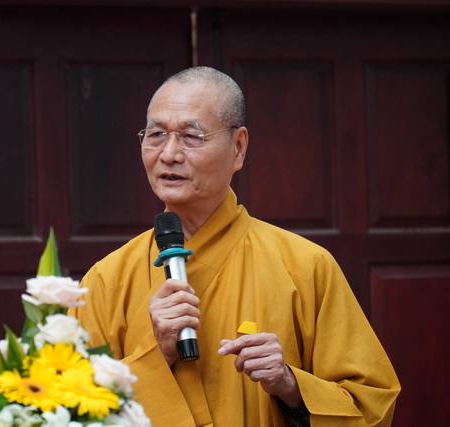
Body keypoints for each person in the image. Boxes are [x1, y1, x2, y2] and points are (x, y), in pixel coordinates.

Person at [70, 66, 400, 426]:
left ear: (238, 147)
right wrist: (155, 354)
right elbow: (67, 410)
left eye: (191, 136)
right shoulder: (106, 281)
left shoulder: (305, 266)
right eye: (156, 135)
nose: (169, 154)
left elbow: (372, 406)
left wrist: (290, 385)